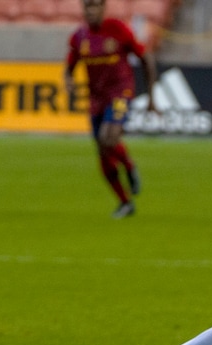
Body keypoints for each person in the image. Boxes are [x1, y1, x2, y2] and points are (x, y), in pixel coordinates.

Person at [64, 0, 156, 219]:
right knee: (102, 151)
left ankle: (129, 165)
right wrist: (68, 81)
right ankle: (125, 203)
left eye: (95, 6)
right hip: (96, 100)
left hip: (120, 94)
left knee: (109, 136)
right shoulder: (79, 38)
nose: (91, 11)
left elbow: (146, 59)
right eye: (87, 6)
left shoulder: (118, 30)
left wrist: (152, 97)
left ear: (103, 8)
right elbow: (69, 67)